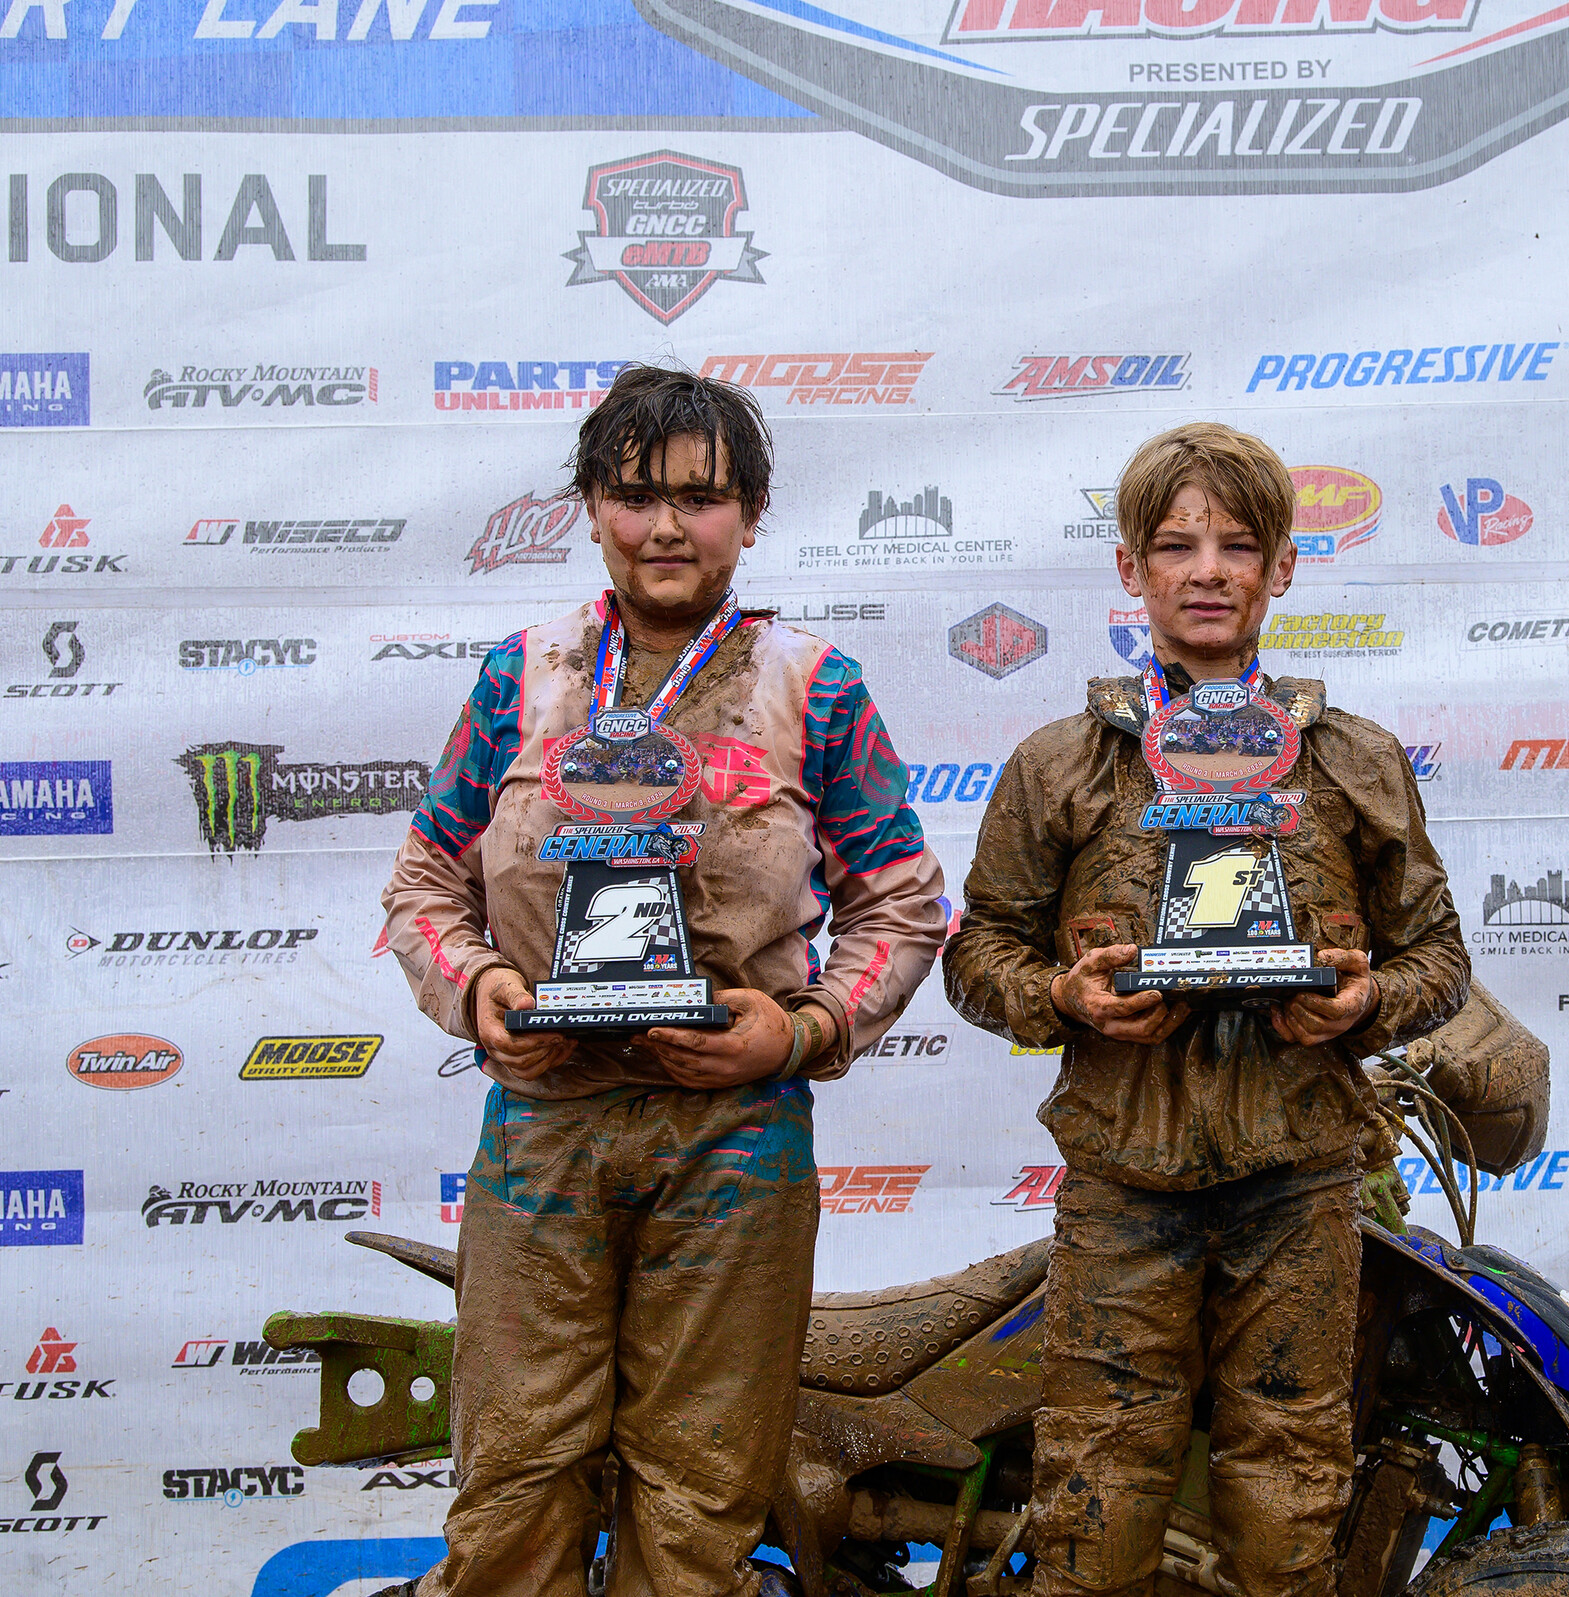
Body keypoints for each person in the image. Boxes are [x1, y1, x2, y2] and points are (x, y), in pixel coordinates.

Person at [379, 366, 947, 1597]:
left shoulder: (817, 688)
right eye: (634, 496)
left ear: (749, 514)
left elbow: (902, 905)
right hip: (544, 1133)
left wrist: (798, 1033)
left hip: (736, 1147)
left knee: (696, 1514)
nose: (666, 527)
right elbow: (424, 882)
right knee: (511, 1493)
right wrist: (479, 992)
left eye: (701, 497)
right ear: (590, 508)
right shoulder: (519, 678)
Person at [944, 422, 1469, 1597]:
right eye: (1175, 545)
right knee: (1096, 1478)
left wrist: (1366, 1001)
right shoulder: (1063, 763)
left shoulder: (1353, 761)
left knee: (1290, 1480)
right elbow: (976, 957)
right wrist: (1062, 998)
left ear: (1284, 567)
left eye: (1239, 545)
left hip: (1301, 1180)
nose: (1208, 570)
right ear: (1131, 568)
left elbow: (1438, 957)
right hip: (1123, 1184)